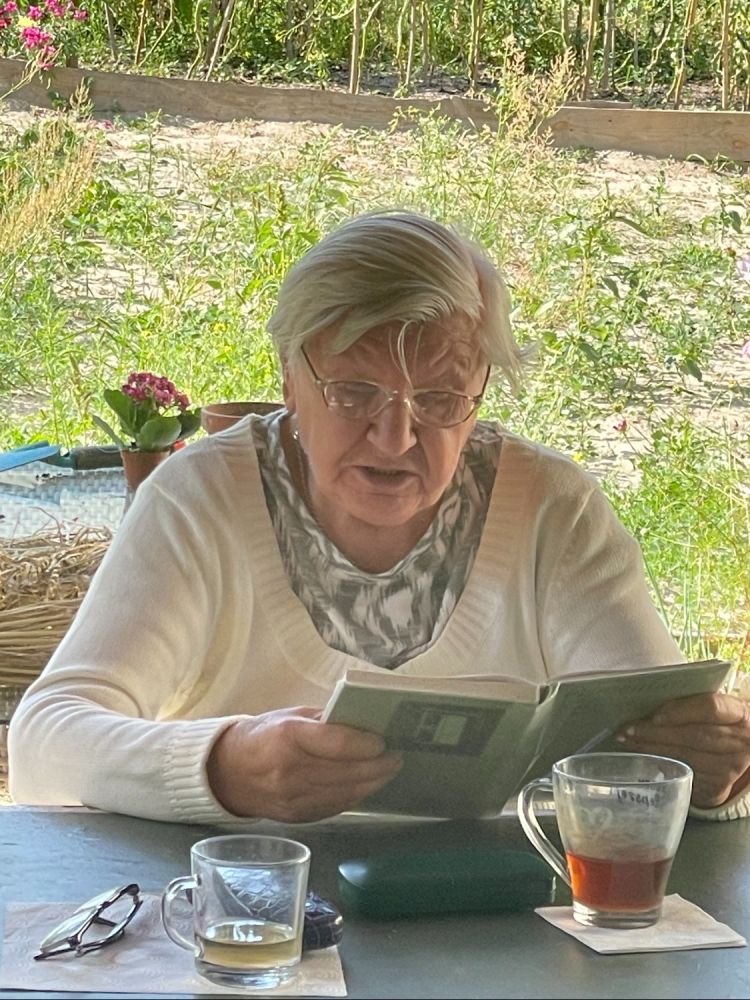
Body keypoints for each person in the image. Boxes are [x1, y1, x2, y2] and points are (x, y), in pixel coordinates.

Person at [8, 211, 750, 824]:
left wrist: (714, 771)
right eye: (355, 392)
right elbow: (45, 744)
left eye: (439, 399)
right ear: (290, 380)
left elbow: (662, 746)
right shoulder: (201, 499)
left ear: (481, 392)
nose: (395, 438)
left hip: (494, 912)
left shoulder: (551, 508)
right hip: (253, 916)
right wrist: (222, 766)